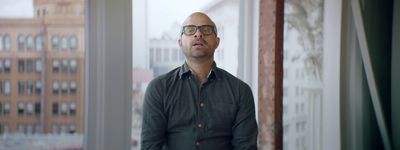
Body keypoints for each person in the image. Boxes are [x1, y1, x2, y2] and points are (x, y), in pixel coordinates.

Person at [141, 12, 258, 150]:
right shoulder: (159, 88)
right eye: (190, 30)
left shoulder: (240, 91)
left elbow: (245, 147)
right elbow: (150, 146)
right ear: (180, 41)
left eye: (206, 30)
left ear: (217, 42)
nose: (198, 34)